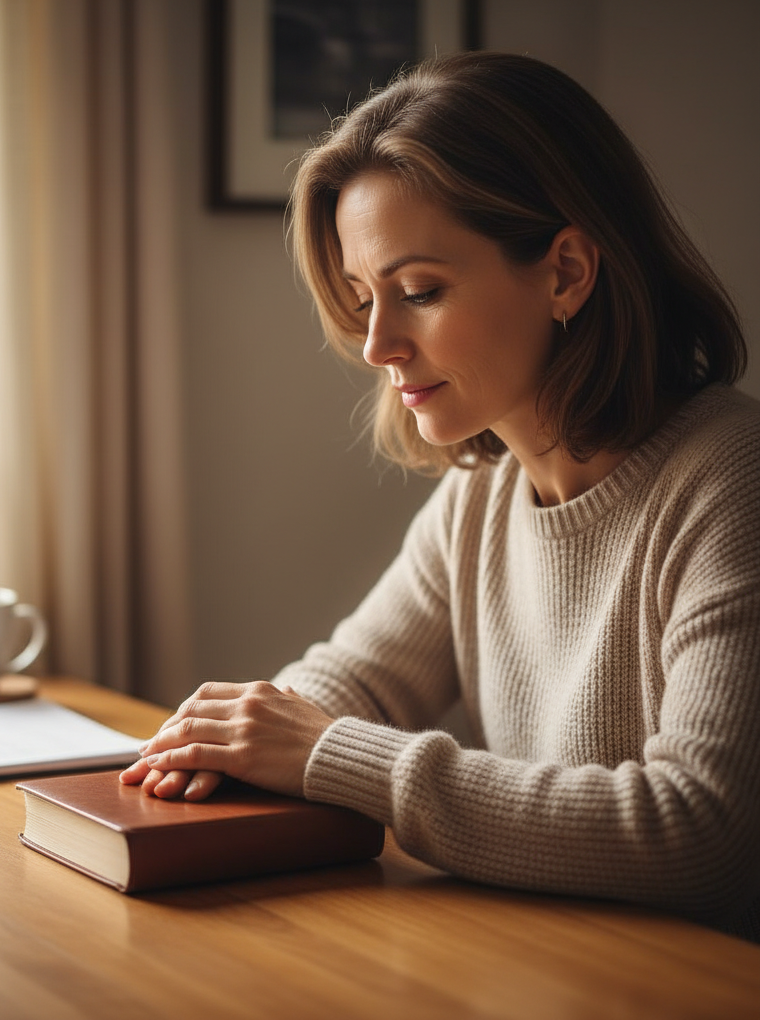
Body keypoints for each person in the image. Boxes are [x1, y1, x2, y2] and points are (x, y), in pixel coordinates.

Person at [120, 52, 760, 940]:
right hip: (552, 967)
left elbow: (701, 831)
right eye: (362, 297)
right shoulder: (484, 495)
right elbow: (360, 681)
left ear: (567, 272)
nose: (378, 343)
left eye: (419, 291)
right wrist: (230, 745)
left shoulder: (733, 480)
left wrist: (331, 757)